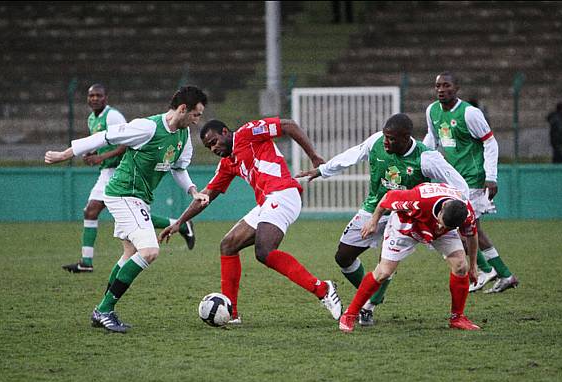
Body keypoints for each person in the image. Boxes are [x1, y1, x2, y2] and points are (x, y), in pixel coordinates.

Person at [45, 86, 210, 333]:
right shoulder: (148, 127)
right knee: (150, 250)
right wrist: (64, 154)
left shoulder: (184, 137)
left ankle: (102, 310)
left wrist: (193, 191)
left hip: (140, 198)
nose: (198, 120)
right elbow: (104, 137)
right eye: (196, 114)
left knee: (129, 253)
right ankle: (103, 310)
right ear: (183, 109)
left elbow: (178, 169)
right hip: (123, 194)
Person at [159, 117, 342, 324]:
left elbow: (288, 125)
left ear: (226, 132)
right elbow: (206, 196)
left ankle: (323, 289)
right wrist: (180, 222)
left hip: (284, 193)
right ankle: (231, 314)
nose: (213, 148)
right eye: (209, 146)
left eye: (214, 141)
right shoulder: (227, 163)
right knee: (228, 245)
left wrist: (314, 156)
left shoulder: (248, 133)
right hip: (267, 202)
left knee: (264, 252)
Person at [296, 113, 469, 327]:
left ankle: (368, 306)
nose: (386, 141)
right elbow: (353, 155)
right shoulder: (377, 141)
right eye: (385, 137)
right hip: (375, 208)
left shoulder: (427, 158)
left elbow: (460, 188)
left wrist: (452, 215)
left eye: (392, 139)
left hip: (408, 215)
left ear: (406, 138)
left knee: (386, 265)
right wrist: (323, 170)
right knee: (343, 256)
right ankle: (374, 294)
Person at [62, 83, 196, 274]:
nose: (94, 99)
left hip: (122, 172)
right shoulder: (92, 118)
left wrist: (94, 156)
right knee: (94, 213)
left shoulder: (114, 116)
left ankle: (177, 224)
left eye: (98, 95)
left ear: (106, 97)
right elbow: (104, 141)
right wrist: (92, 152)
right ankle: (87, 262)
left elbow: (123, 143)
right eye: (91, 96)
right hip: (110, 174)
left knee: (125, 231)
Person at [339, 182, 480, 333]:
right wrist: (373, 221)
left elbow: (472, 236)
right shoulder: (418, 199)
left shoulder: (466, 213)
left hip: (440, 234)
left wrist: (473, 266)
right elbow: (388, 197)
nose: (442, 227)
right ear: (443, 208)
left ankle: (457, 318)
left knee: (461, 266)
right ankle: (349, 314)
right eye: (442, 222)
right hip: (407, 227)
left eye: (448, 227)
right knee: (383, 272)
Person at [423, 71, 518, 293]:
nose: (441, 90)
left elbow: (490, 143)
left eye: (446, 85)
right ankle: (500, 273)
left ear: (457, 88)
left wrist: (491, 176)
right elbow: (432, 138)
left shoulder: (470, 114)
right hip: (453, 179)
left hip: (474, 179)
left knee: (462, 229)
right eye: (438, 86)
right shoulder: (432, 111)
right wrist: (422, 159)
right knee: (466, 229)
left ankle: (491, 271)